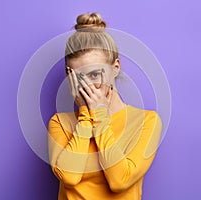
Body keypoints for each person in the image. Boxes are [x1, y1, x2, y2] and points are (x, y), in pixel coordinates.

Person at [48, 12, 162, 200]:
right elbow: (69, 176)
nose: (87, 86)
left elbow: (120, 180)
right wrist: (86, 115)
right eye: (78, 78)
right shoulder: (60, 123)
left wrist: (100, 117)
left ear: (115, 67)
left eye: (94, 75)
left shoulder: (147, 121)